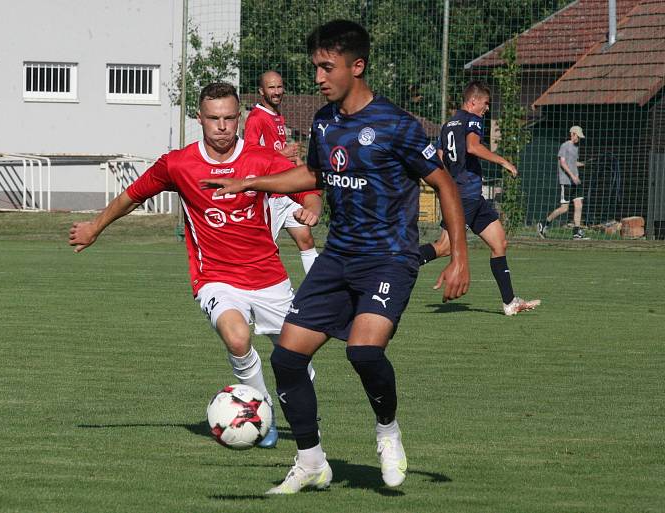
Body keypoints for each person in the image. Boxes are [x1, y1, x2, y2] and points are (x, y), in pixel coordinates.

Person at [201, 20, 470, 493]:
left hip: (387, 258)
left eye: (328, 67)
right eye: (316, 68)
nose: (319, 77)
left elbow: (444, 183)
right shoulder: (325, 122)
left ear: (357, 65)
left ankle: (388, 433)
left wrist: (459, 256)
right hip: (338, 257)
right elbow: (312, 174)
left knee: (364, 351)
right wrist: (248, 182)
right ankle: (311, 462)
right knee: (287, 358)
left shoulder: (395, 124)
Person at [68, 82, 322, 449]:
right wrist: (95, 226)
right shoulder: (178, 163)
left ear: (240, 118)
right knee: (237, 338)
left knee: (295, 357)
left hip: (269, 278)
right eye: (214, 118)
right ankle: (259, 411)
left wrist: (311, 208)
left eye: (230, 118)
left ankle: (305, 420)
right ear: (200, 119)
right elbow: (131, 196)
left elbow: (307, 187)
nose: (222, 126)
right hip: (215, 277)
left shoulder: (261, 158)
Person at [418, 81, 541, 316]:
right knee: (444, 247)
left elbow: (440, 159)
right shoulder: (472, 120)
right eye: (485, 103)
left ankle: (510, 302)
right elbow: (473, 147)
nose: (486, 108)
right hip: (464, 196)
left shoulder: (447, 125)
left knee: (499, 243)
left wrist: (442, 188)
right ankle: (397, 264)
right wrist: (503, 161)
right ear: (473, 101)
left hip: (471, 196)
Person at [245, 70, 319, 274]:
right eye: (271, 87)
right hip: (270, 195)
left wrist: (295, 161)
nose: (277, 91)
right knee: (261, 250)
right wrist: (280, 153)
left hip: (286, 193)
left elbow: (278, 153)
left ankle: (318, 292)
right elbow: (249, 157)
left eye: (279, 86)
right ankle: (246, 290)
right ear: (261, 91)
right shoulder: (256, 118)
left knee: (306, 238)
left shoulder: (277, 116)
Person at [538, 126, 586, 240]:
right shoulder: (565, 146)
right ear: (573, 134)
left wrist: (583, 164)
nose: (579, 138)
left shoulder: (576, 147)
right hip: (566, 181)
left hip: (575, 182)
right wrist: (572, 176)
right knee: (564, 208)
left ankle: (576, 233)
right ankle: (544, 223)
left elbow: (573, 163)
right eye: (578, 136)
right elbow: (562, 163)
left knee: (578, 205)